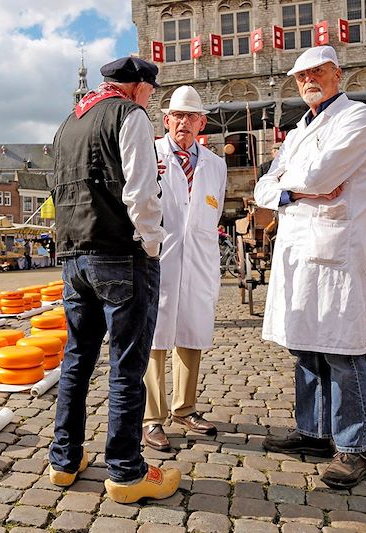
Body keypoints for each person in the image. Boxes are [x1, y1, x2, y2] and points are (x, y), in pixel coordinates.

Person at [48, 55, 179, 503]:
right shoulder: (130, 115)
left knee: (77, 360)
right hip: (120, 254)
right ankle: (126, 471)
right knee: (127, 366)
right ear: (137, 86)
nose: (153, 98)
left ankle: (63, 461)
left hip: (74, 257)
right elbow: (141, 190)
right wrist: (150, 243)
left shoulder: (69, 123)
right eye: (152, 91)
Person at [253, 46, 366, 489]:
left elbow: (323, 175)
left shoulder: (357, 117)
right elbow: (264, 187)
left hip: (335, 247)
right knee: (304, 345)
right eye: (302, 75)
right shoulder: (296, 130)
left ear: (336, 74)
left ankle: (352, 446)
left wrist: (293, 184)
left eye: (318, 73)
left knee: (342, 350)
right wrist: (293, 191)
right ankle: (313, 432)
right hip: (297, 249)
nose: (309, 81)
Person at [142, 86, 228, 451]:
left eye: (191, 117)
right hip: (160, 257)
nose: (184, 123)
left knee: (192, 333)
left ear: (201, 123)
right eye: (177, 116)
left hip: (199, 259)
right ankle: (152, 417)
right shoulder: (151, 156)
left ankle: (185, 408)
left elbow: (214, 210)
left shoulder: (215, 164)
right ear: (166, 120)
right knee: (155, 337)